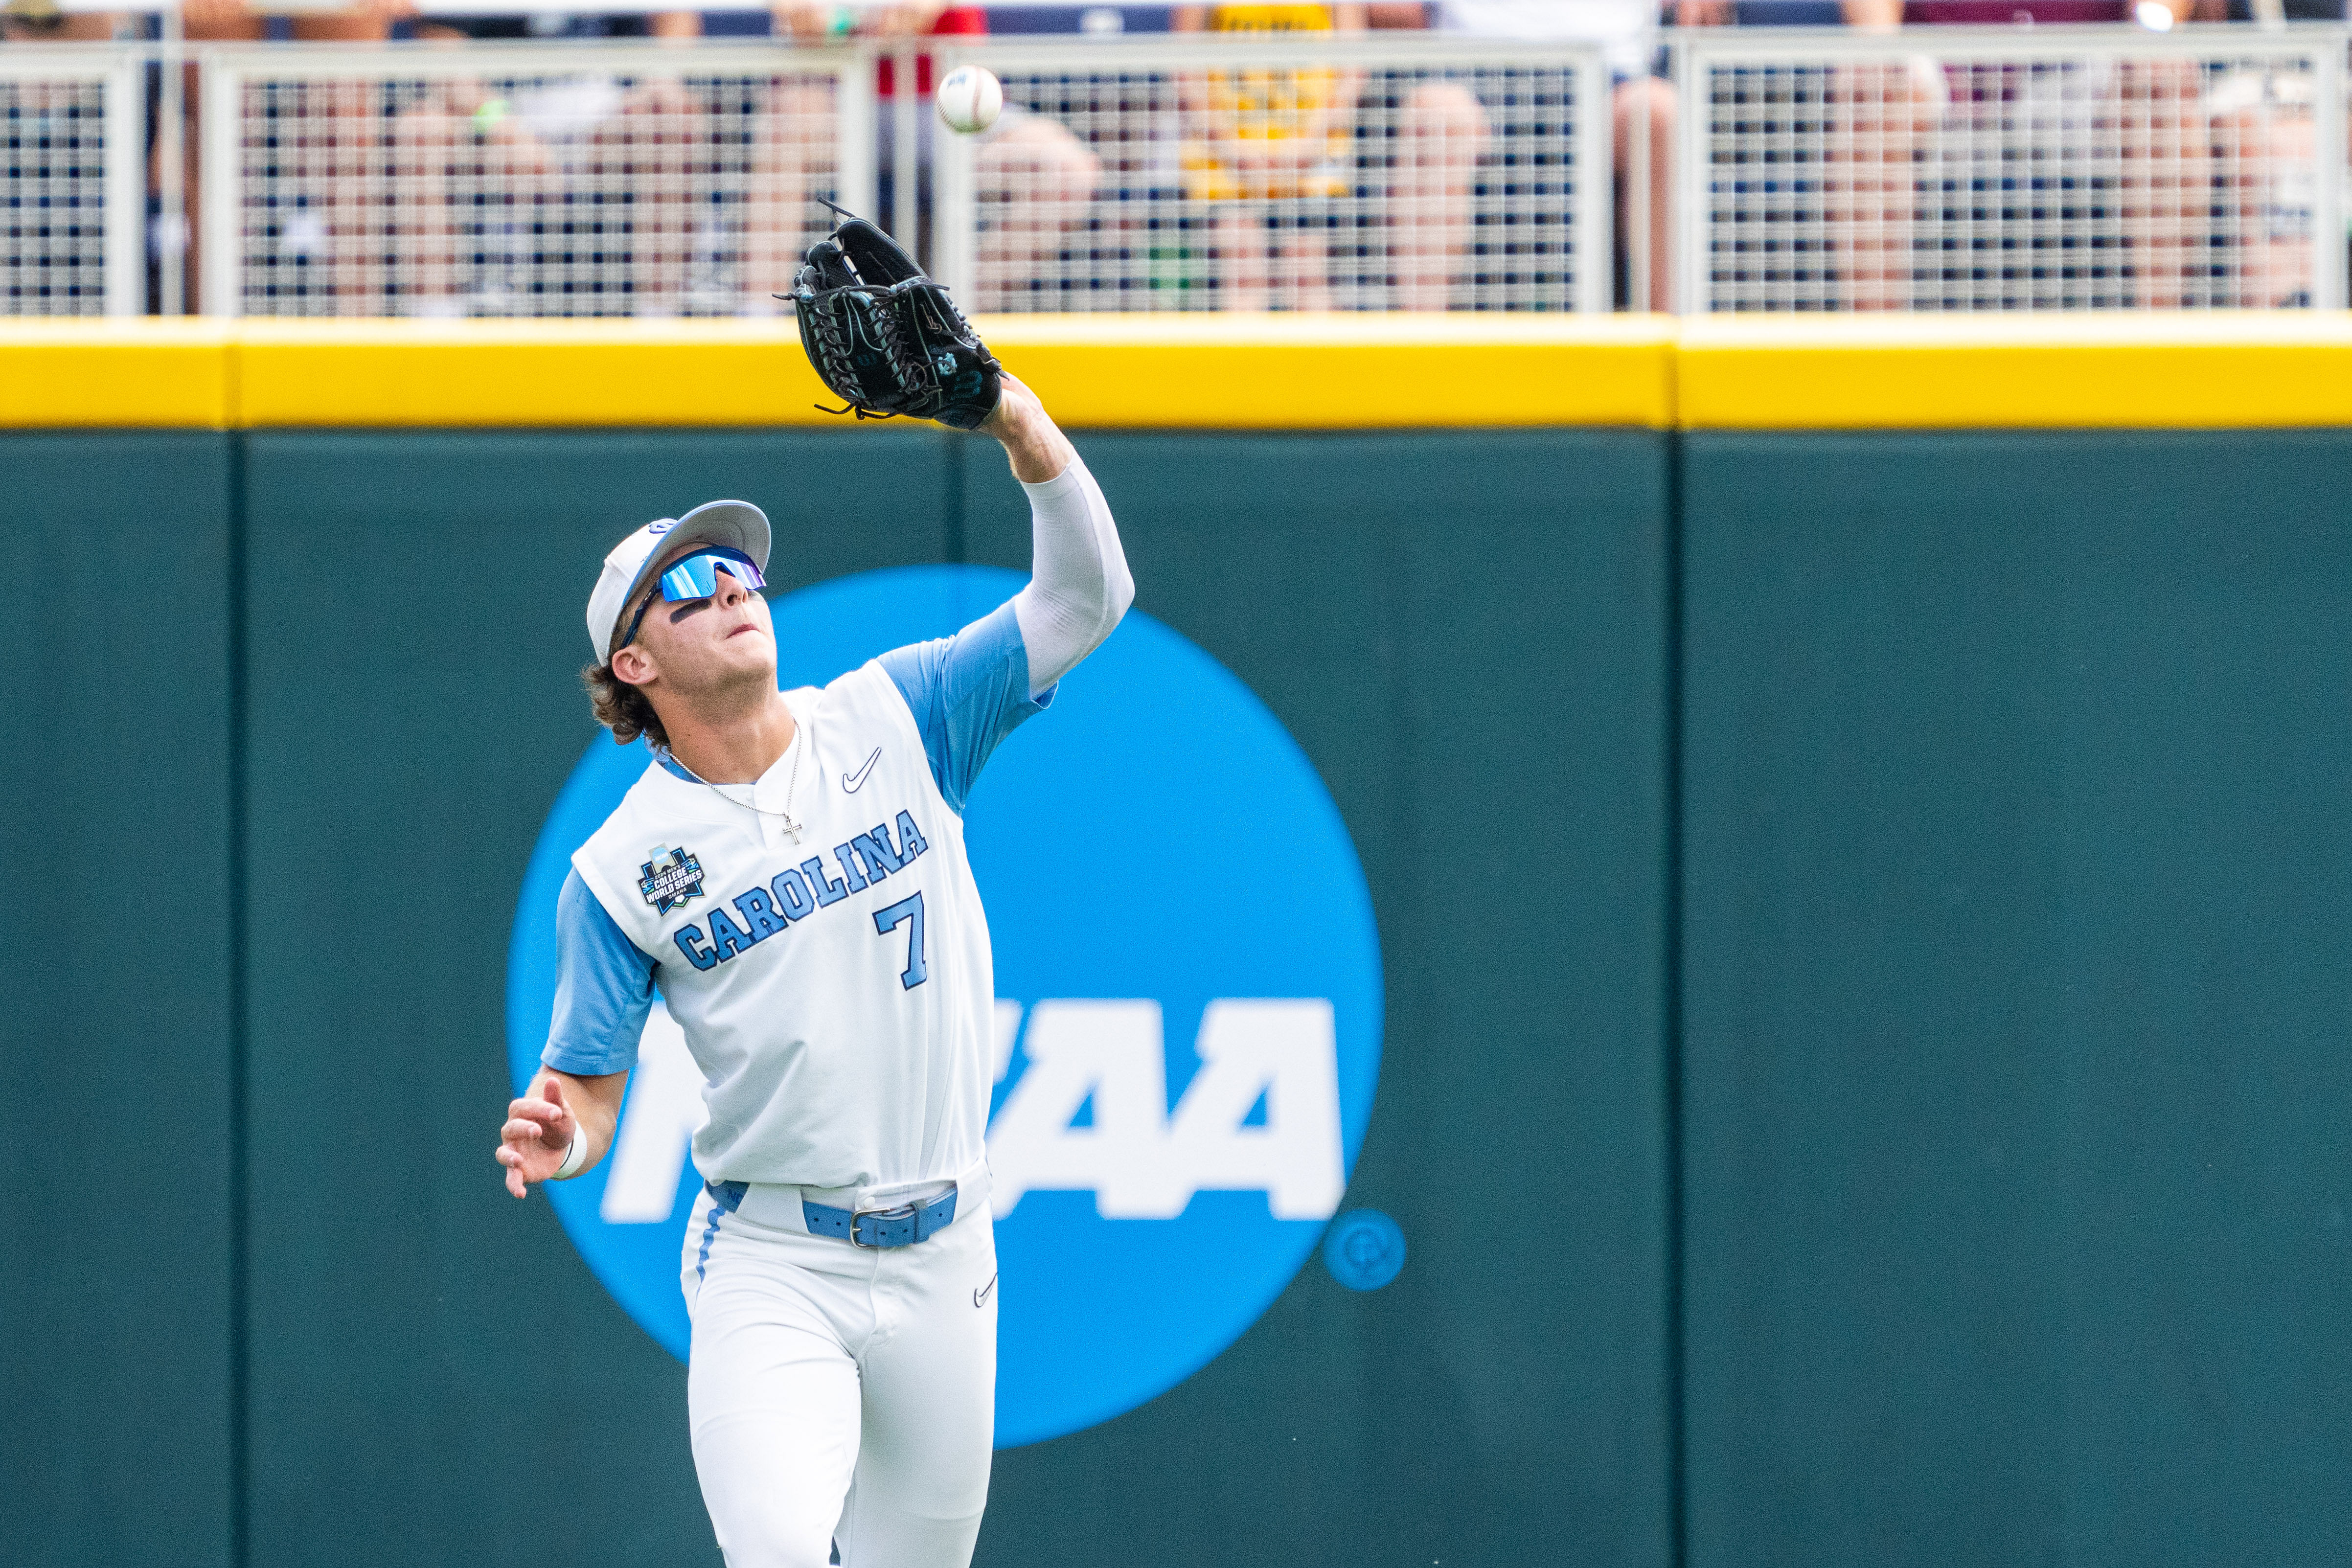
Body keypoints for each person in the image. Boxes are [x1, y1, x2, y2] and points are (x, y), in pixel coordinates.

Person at [495, 370, 1132, 1568]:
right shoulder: (622, 865)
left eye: (739, 570)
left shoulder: (899, 715)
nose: (730, 587)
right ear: (632, 666)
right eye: (688, 584)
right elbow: (586, 1083)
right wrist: (565, 1137)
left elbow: (1089, 597)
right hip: (774, 1257)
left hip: (950, 1249)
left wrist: (1016, 420)